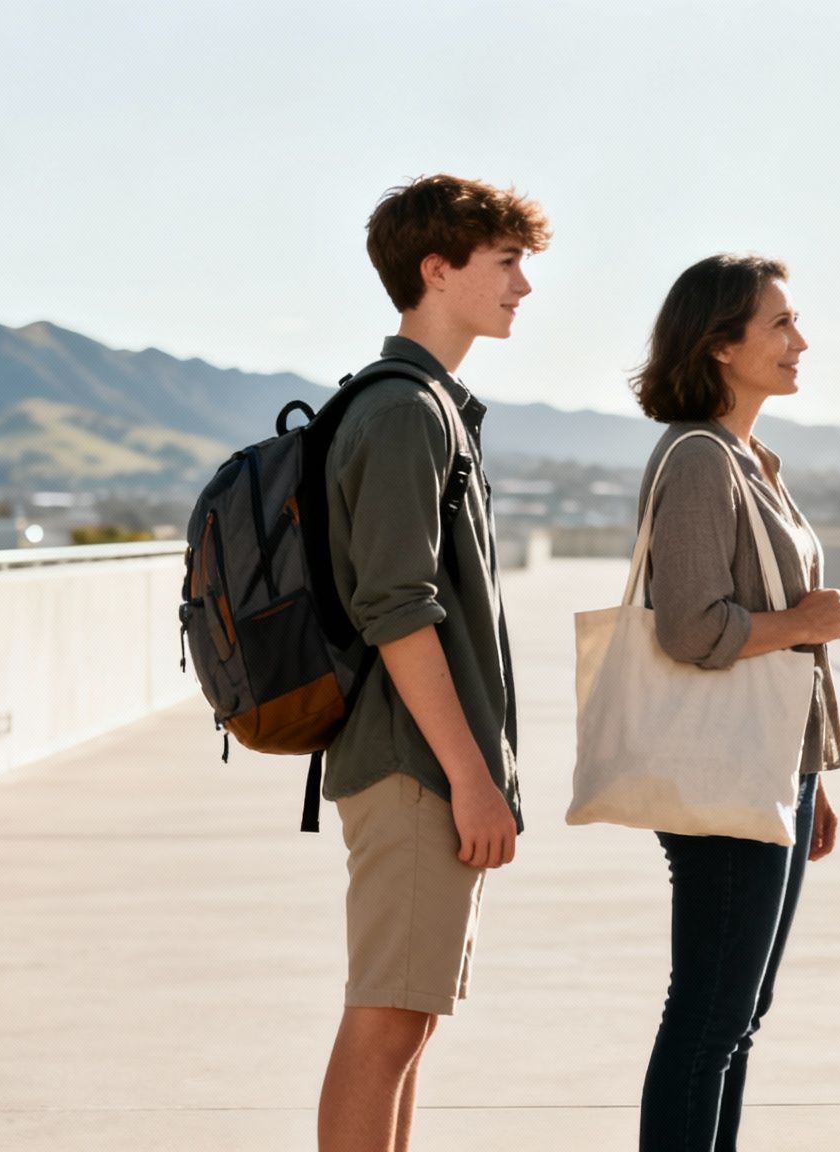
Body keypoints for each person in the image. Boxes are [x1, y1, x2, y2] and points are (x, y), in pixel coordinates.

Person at [315, 174, 548, 1152]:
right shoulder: (406, 413)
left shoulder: (426, 406)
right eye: (505, 263)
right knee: (387, 1023)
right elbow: (397, 613)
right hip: (415, 765)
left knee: (406, 1021)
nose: (524, 287)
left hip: (421, 764)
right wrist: (469, 778)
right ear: (437, 268)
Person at [628, 253, 840, 1152]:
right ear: (722, 345)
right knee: (710, 1016)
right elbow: (689, 626)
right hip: (723, 774)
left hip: (772, 771)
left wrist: (814, 775)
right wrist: (800, 620)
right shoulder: (699, 460)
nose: (801, 341)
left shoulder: (754, 459)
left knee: (738, 1014)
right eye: (781, 325)